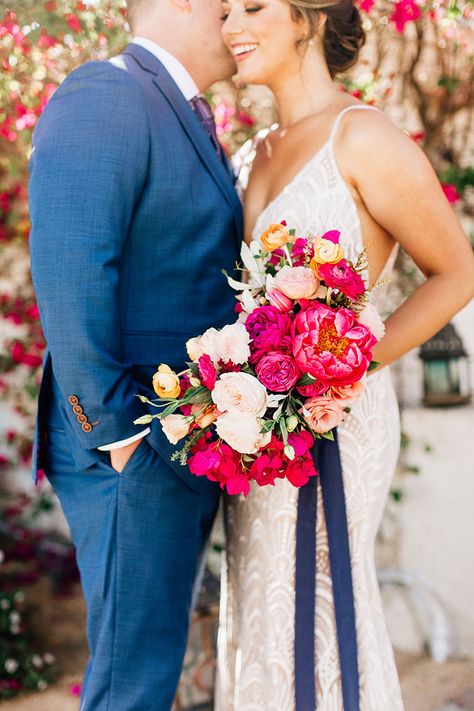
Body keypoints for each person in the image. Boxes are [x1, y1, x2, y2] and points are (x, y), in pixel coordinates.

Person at [217, 0, 474, 709]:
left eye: (252, 6)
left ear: (308, 18)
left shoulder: (363, 139)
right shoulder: (252, 151)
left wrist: (346, 365)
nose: (230, 24)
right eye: (225, 10)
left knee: (323, 604)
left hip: (337, 420)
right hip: (258, 427)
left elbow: (457, 271)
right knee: (260, 596)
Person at [28, 0, 242, 708]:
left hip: (175, 449)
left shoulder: (185, 112)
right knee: (132, 686)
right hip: (132, 450)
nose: (237, 15)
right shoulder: (108, 92)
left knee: (148, 672)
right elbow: (71, 269)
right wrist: (116, 436)